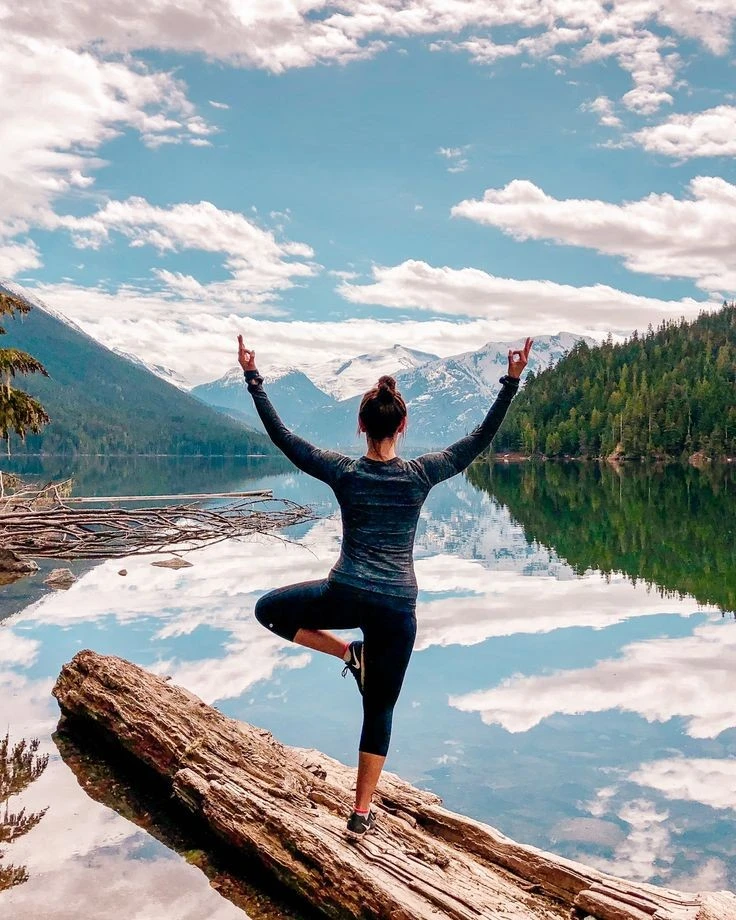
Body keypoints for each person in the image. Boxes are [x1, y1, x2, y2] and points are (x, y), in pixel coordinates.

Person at [238, 334, 533, 840]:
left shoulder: (343, 471)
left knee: (270, 610)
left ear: (360, 426)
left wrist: (253, 379)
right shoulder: (421, 474)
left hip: (346, 592)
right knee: (380, 709)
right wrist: (509, 382)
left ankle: (348, 654)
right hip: (397, 605)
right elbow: (479, 438)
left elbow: (284, 438)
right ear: (403, 425)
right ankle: (360, 814)